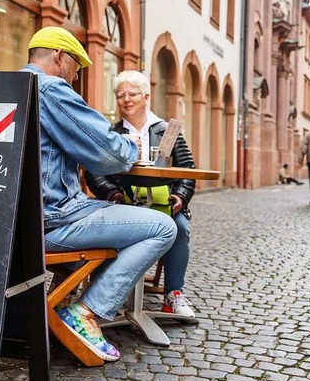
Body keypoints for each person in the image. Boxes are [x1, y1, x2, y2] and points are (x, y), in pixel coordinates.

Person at [21, 27, 177, 362]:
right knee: (163, 227)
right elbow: (107, 152)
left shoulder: (8, 88)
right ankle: (86, 310)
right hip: (52, 220)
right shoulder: (49, 89)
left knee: (112, 211)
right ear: (60, 56)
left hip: (12, 224)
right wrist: (129, 147)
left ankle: (58, 304)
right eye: (76, 66)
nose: (76, 77)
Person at [85, 70, 196, 318]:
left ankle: (174, 295)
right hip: (123, 203)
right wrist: (112, 193)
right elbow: (94, 172)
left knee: (179, 227)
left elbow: (188, 169)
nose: (126, 99)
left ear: (146, 96)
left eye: (132, 94)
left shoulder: (167, 130)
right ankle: (106, 293)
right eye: (120, 95)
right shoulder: (111, 133)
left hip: (163, 203)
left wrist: (180, 197)